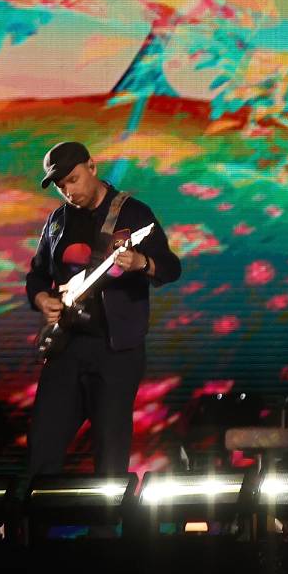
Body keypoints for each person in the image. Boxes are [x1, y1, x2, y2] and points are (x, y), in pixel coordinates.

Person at [25, 141, 181, 481]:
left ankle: (106, 532)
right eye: (61, 186)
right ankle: (35, 530)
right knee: (43, 446)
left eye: (73, 179)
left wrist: (141, 262)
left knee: (110, 454)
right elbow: (37, 275)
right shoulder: (56, 222)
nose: (69, 191)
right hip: (66, 347)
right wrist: (42, 299)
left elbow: (170, 268)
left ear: (92, 168)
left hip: (116, 350)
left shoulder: (133, 213)